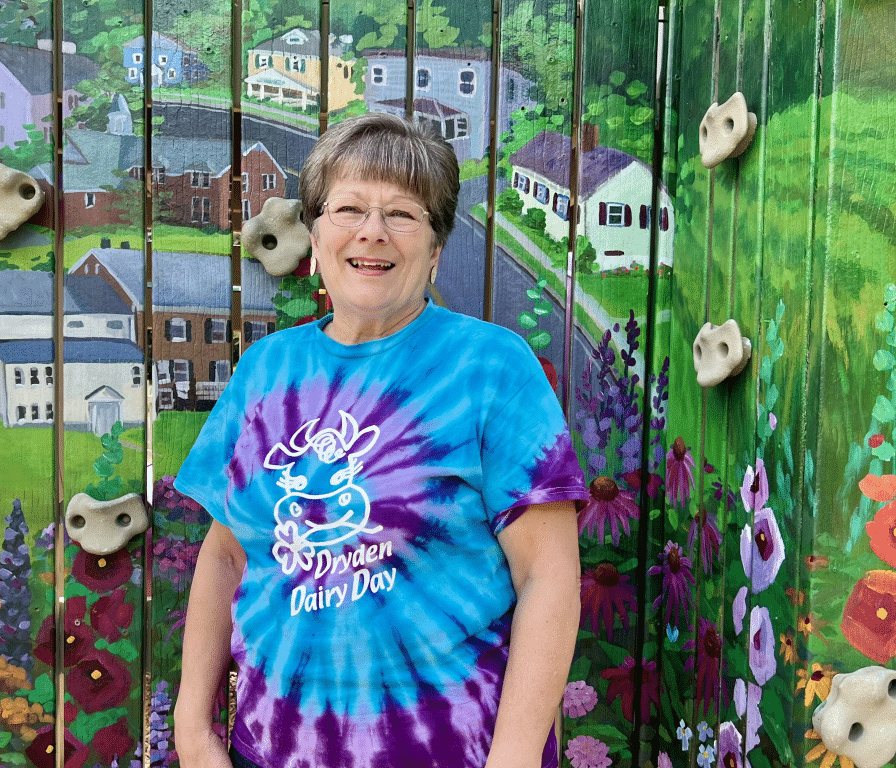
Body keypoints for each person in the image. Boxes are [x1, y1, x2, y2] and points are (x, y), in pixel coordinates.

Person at [173, 112, 588, 768]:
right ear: (315, 234)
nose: (373, 231)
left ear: (435, 248)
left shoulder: (490, 367)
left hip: (453, 754)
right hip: (267, 752)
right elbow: (226, 554)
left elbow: (549, 576)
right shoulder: (266, 369)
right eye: (348, 209)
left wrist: (513, 758)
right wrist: (193, 727)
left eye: (401, 213)